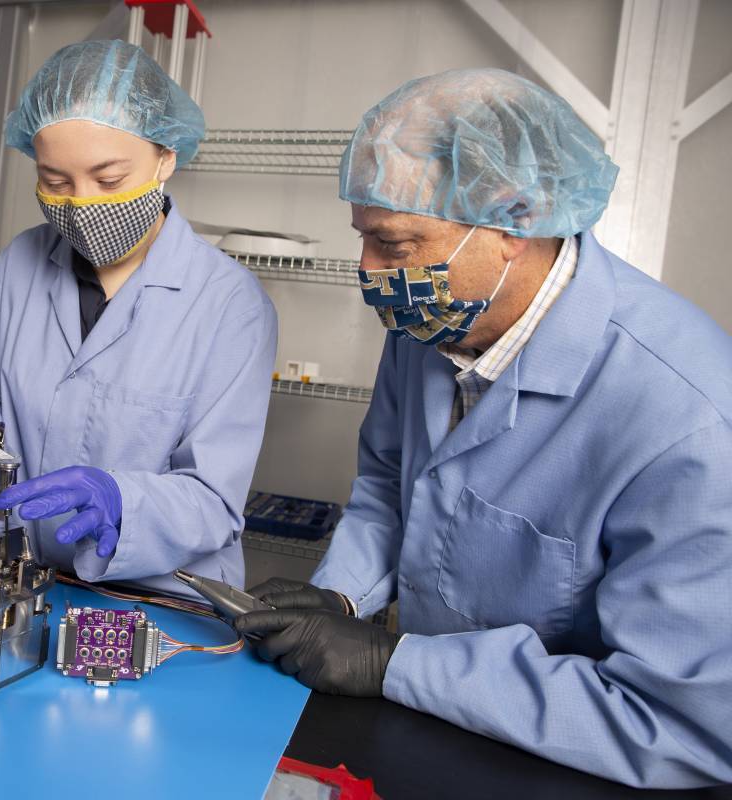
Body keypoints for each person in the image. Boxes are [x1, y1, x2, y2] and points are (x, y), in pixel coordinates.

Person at [234, 69, 732, 789]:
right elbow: (388, 482)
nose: (367, 271)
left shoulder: (689, 418)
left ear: (512, 223)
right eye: (363, 239)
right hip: (432, 727)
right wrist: (345, 595)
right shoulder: (429, 320)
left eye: (396, 245)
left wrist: (390, 661)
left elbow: (683, 726)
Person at [0, 41, 277, 595]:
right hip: (29, 575)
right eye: (56, 182)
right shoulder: (19, 263)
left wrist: (120, 499)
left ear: (165, 158)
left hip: (165, 595)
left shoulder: (230, 303)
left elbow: (214, 502)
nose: (81, 204)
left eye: (107, 180)